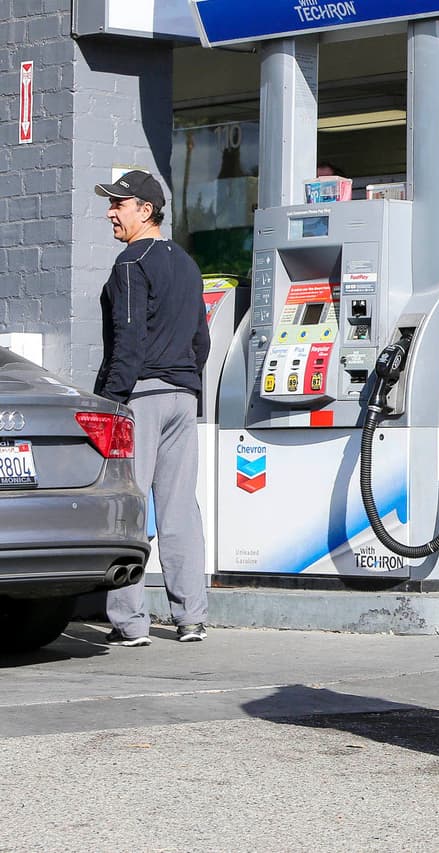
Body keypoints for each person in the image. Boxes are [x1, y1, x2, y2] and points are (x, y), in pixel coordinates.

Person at [93, 170, 211, 647]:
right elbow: (201, 340)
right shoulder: (186, 264)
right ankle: (192, 618)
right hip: (183, 398)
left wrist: (109, 401)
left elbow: (128, 340)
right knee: (181, 507)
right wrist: (186, 383)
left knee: (130, 507)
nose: (110, 213)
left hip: (139, 398)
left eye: (118, 205)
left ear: (146, 210)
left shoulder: (129, 262)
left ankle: (130, 621)